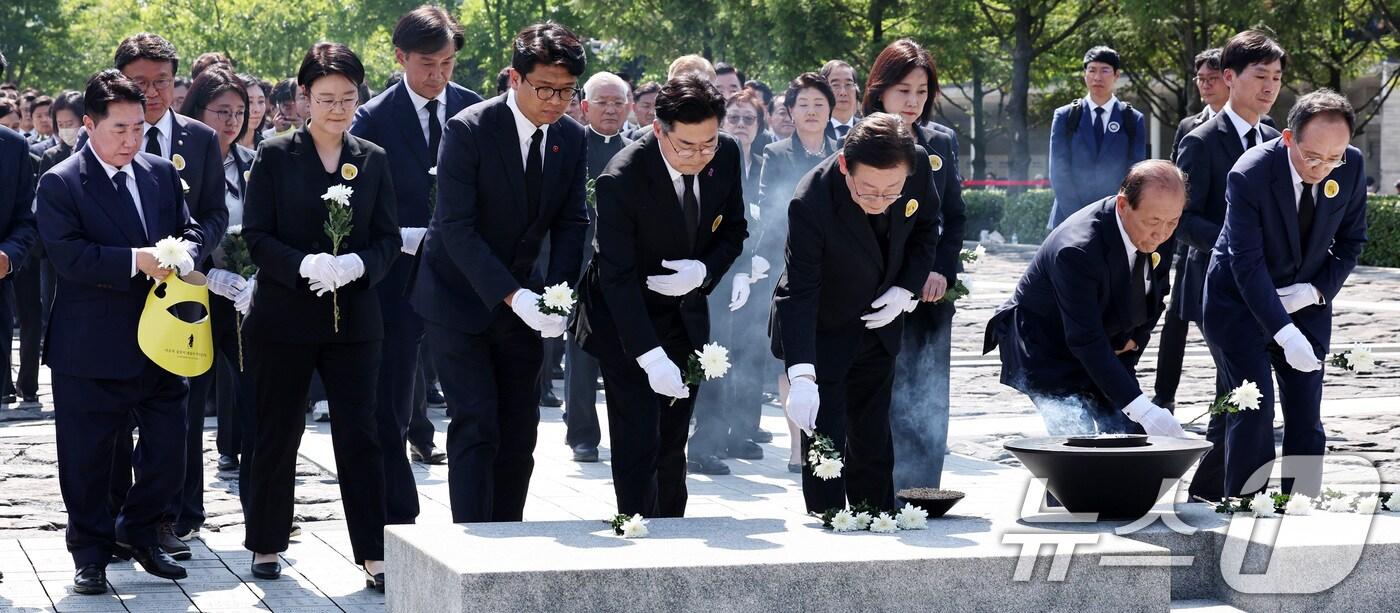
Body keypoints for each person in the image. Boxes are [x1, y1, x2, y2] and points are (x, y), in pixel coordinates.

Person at [411, 21, 589, 523]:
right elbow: (456, 228)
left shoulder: (570, 139)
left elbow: (573, 221)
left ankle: (509, 538)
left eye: (567, 92)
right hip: (459, 298)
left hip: (526, 302)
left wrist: (559, 295)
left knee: (519, 429)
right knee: (475, 423)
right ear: (515, 79)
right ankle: (473, 546)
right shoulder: (469, 129)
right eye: (545, 89)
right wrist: (515, 295)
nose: (556, 101)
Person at [241, 42, 400, 590]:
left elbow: (387, 238)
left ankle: (374, 552)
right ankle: (266, 540)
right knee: (276, 430)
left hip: (354, 320)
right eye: (326, 98)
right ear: (304, 97)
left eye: (348, 98)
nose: (338, 108)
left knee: (361, 435)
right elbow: (257, 236)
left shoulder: (372, 158)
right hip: (283, 317)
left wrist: (360, 263)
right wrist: (301, 263)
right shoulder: (275, 154)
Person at [38, 69, 197, 593]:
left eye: (137, 128)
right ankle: (89, 552)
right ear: (89, 125)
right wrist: (137, 260)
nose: (131, 140)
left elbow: (188, 225)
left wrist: (185, 250)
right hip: (89, 345)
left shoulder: (158, 172)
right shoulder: (61, 181)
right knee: (87, 459)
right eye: (118, 130)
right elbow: (69, 256)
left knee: (169, 449)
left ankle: (141, 532)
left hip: (162, 339)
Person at [572, 74, 746, 518]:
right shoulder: (622, 178)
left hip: (684, 314)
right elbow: (617, 277)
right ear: (657, 129)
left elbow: (734, 230)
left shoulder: (725, 154)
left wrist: (703, 270)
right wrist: (649, 356)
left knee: (673, 442)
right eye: (686, 146)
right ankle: (636, 534)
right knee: (636, 442)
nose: (699, 155)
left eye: (707, 143)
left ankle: (674, 531)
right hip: (625, 321)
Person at [349, 4, 483, 526]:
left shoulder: (474, 111)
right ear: (401, 57)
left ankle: (478, 520)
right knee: (390, 409)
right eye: (427, 63)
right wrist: (398, 236)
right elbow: (356, 200)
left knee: (472, 405)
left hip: (464, 283)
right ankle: (395, 525)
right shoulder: (372, 119)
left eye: (448, 63)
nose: (438, 75)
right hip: (395, 282)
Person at [772, 113, 941, 513]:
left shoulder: (914, 165)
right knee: (825, 426)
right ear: (846, 165)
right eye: (868, 191)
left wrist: (905, 289)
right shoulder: (811, 199)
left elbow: (927, 228)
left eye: (891, 192)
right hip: (824, 323)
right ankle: (829, 518)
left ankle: (876, 513)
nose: (879, 202)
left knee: (872, 428)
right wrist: (801, 376)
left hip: (882, 317)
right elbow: (801, 291)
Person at [1202, 90, 1367, 498]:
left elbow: (1351, 242)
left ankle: (1300, 506)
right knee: (1253, 408)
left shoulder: (1351, 166)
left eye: (1334, 158)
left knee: (1306, 411)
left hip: (1305, 300)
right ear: (1290, 137)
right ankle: (1243, 505)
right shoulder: (1251, 173)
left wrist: (1314, 291)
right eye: (1313, 157)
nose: (1323, 169)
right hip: (1238, 303)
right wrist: (1283, 330)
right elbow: (1246, 262)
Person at [103, 31, 229, 558]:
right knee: (115, 418)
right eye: (139, 83)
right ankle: (113, 521)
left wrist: (190, 254)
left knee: (179, 413)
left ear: (177, 84)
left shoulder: (198, 138)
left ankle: (173, 518)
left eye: (161, 82)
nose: (152, 93)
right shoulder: (106, 138)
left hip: (179, 300)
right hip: (118, 296)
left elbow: (214, 212)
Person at [984, 161, 1187, 439]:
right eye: (1153, 222)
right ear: (1123, 205)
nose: (1162, 234)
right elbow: (1085, 339)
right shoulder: (1077, 249)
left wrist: (1133, 343)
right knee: (1077, 447)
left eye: (1172, 222)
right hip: (1047, 346)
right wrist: (1144, 409)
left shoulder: (1161, 228)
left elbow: (1155, 297)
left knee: (1130, 436)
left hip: (1105, 342)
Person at [1172, 30, 1285, 501]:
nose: (1270, 87)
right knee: (1247, 390)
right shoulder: (1201, 141)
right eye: (1260, 76)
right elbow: (1180, 218)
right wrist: (1234, 244)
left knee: (1236, 393)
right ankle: (1241, 493)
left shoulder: (1278, 138)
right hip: (1217, 288)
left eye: (1277, 77)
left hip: (1266, 290)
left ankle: (1209, 488)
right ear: (1229, 77)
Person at [864, 39, 967, 493]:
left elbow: (954, 215)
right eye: (903, 90)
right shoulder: (858, 140)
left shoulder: (940, 141)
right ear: (880, 90)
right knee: (877, 389)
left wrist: (942, 269)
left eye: (922, 92)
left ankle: (922, 489)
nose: (912, 102)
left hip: (928, 292)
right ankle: (874, 485)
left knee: (926, 389)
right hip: (872, 291)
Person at [167, 66, 258, 534]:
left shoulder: (253, 161)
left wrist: (256, 276)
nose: (231, 121)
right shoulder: (180, 161)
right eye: (221, 111)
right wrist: (208, 274)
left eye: (239, 112)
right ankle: (185, 512)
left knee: (256, 402)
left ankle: (262, 508)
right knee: (187, 405)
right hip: (194, 293)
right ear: (196, 111)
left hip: (245, 300)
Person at [686, 90, 769, 475]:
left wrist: (742, 267)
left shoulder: (735, 153)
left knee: (717, 357)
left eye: (746, 119)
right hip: (680, 265)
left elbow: (740, 221)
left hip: (724, 271)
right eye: (731, 118)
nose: (737, 126)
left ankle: (708, 443)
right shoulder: (683, 146)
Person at [759, 73, 839, 470]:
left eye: (819, 104)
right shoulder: (776, 153)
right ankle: (797, 447)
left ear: (831, 110)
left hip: (837, 267)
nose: (811, 111)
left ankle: (830, 439)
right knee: (793, 356)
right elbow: (770, 211)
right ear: (789, 111)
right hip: (788, 265)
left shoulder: (845, 151)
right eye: (803, 104)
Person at [1153, 47, 1228, 415]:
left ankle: (1230, 393)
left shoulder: (1263, 128)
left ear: (1229, 79)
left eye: (1211, 78)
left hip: (1228, 241)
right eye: (1200, 78)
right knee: (1177, 320)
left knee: (1220, 326)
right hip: (1190, 239)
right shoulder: (1189, 126)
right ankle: (1164, 393)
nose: (1205, 85)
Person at [564, 71, 632, 463]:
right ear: (585, 106)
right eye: (602, 102)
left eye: (617, 103)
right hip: (579, 266)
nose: (610, 109)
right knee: (580, 353)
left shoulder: (638, 150)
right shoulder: (571, 147)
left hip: (625, 269)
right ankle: (583, 435)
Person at [1047, 46, 1147, 228]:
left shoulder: (1132, 119)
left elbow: (1135, 174)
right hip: (1068, 218)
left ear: (1117, 75)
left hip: (1115, 218)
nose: (1097, 77)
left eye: (1105, 70)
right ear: (1084, 74)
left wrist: (1113, 212)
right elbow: (1058, 172)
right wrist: (1078, 217)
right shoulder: (1066, 116)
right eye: (1091, 70)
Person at [820, 60, 860, 139]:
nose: (843, 92)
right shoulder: (814, 131)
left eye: (848, 84)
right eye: (835, 85)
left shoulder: (868, 129)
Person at [236, 74, 269, 150]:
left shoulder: (267, 148)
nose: (257, 109)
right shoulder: (220, 146)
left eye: (261, 101)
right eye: (250, 102)